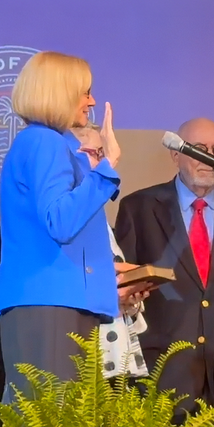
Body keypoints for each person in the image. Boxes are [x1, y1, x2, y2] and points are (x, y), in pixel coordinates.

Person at [0, 51, 147, 403]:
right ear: (58, 92)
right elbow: (61, 221)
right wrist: (107, 166)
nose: (91, 100)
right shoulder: (44, 142)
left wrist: (110, 273)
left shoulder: (50, 143)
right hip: (49, 301)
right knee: (48, 426)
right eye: (84, 92)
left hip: (60, 300)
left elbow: (68, 235)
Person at [114, 117, 214, 422]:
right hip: (160, 371)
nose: (210, 158)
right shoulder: (139, 207)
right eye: (199, 149)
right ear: (175, 154)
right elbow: (122, 288)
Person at [70, 121, 150, 380]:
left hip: (112, 356)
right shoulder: (66, 215)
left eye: (103, 154)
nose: (103, 163)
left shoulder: (97, 217)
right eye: (96, 153)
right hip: (80, 354)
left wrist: (130, 294)